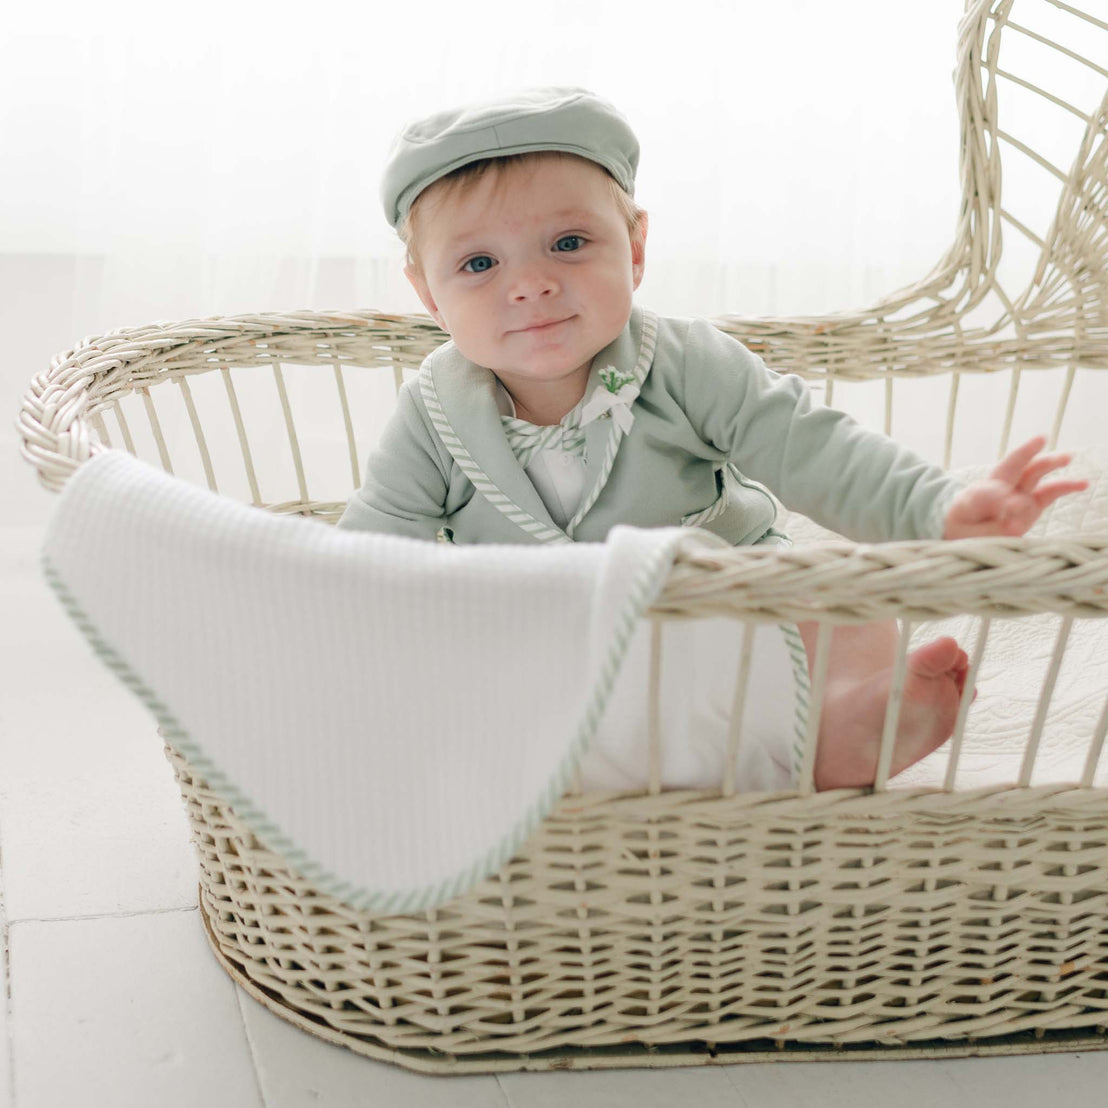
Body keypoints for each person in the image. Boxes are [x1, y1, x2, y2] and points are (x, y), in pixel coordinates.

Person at [337, 86, 1087, 789]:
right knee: (441, 663)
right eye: (478, 264)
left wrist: (940, 508)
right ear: (428, 294)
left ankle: (837, 730)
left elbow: (810, 445)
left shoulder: (688, 362)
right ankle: (543, 767)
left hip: (722, 610)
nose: (530, 284)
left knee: (841, 594)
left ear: (634, 248)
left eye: (568, 243)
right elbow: (370, 551)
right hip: (544, 644)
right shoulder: (434, 411)